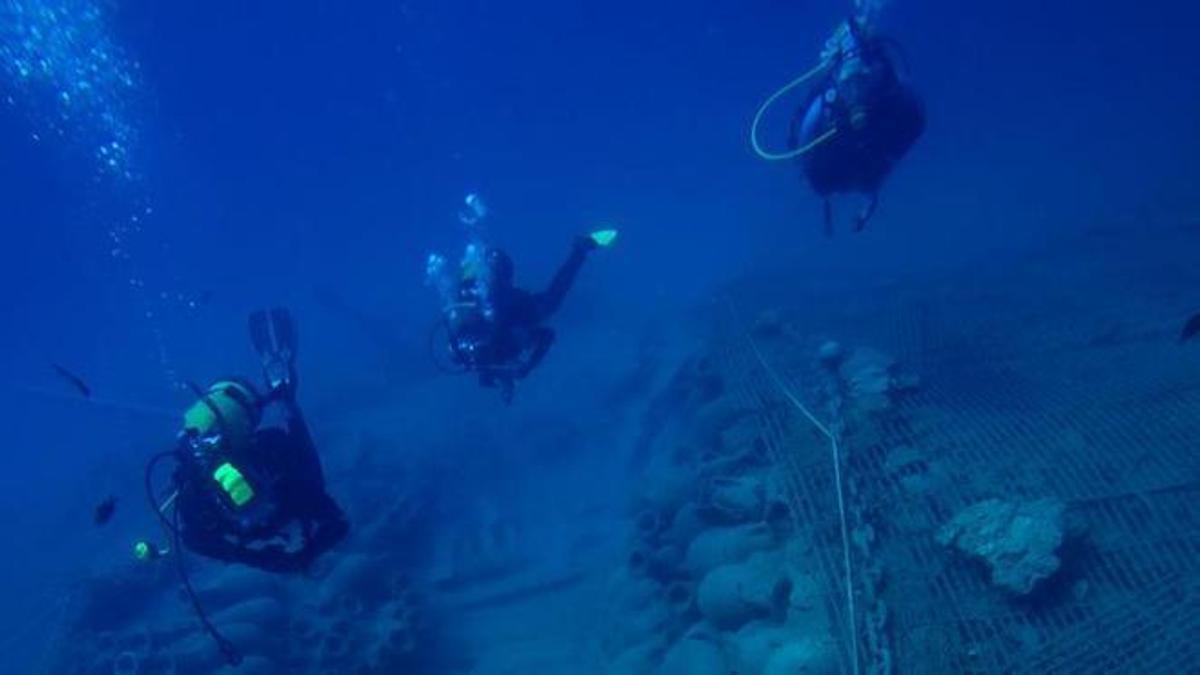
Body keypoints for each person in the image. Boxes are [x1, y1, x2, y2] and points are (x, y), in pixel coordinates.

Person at [146, 308, 348, 574]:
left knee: (301, 469)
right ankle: (285, 395)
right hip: (279, 507)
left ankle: (284, 395)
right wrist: (297, 557)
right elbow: (335, 521)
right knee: (300, 454)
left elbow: (194, 540)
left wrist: (260, 559)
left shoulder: (190, 488)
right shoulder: (272, 449)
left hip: (256, 523)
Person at [430, 229, 618, 402]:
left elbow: (547, 336)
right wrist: (511, 376)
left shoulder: (490, 333)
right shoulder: (471, 342)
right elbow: (490, 361)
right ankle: (580, 249)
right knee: (543, 303)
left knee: (550, 304)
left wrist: (527, 368)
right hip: (500, 310)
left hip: (512, 312)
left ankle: (581, 249)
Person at [788, 17, 925, 235]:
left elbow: (912, 122)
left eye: (862, 77)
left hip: (860, 162)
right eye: (849, 81)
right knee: (833, 181)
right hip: (841, 165)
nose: (854, 87)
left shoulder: (888, 95)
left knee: (850, 179)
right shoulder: (828, 106)